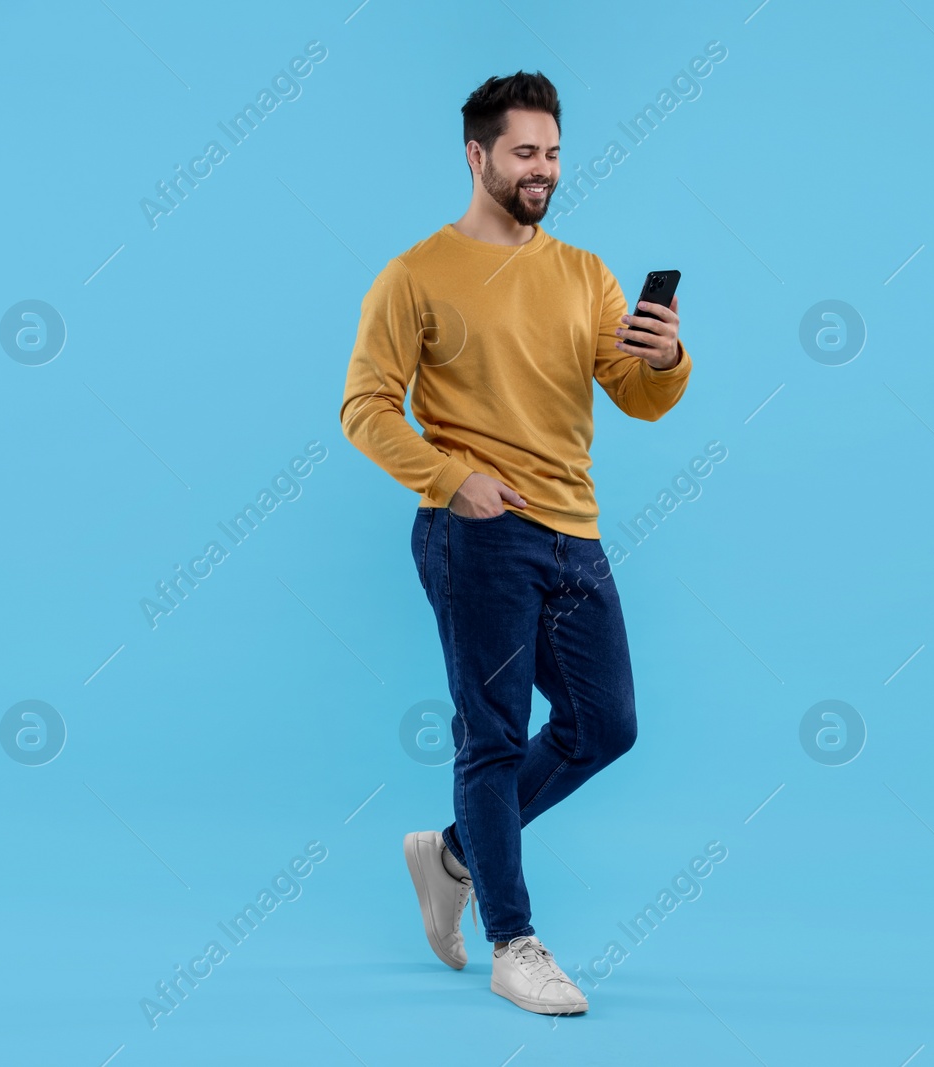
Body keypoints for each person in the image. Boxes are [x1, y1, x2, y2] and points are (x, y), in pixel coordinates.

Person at [338, 71, 691, 1015]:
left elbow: (636, 394)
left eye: (554, 151)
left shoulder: (583, 272)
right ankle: (512, 941)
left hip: (573, 531)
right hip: (475, 531)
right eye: (526, 152)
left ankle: (451, 852)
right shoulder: (415, 274)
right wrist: (453, 481)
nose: (544, 169)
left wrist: (664, 358)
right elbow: (364, 408)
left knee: (603, 724)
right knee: (490, 734)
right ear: (478, 155)